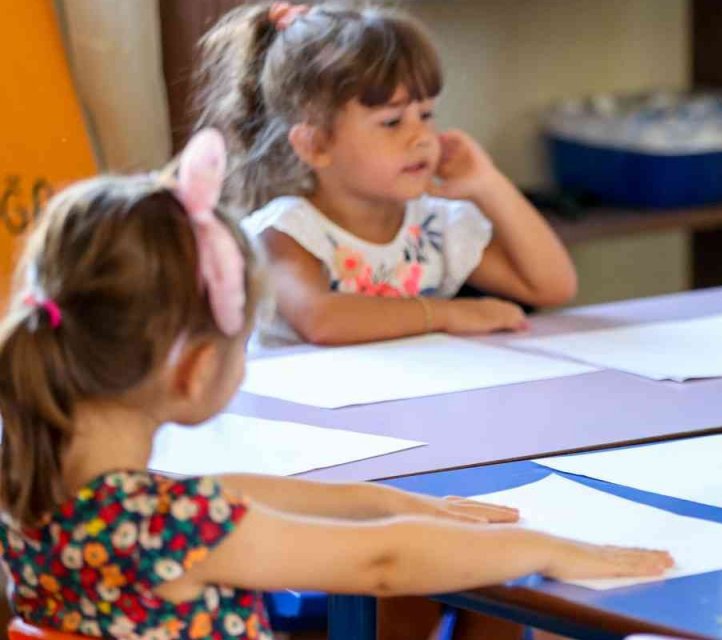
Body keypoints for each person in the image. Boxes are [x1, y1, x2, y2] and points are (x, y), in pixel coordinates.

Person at [0, 130, 671, 638]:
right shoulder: (171, 525)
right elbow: (381, 564)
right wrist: (544, 548)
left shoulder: (40, 485)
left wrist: (378, 501)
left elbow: (243, 494)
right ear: (194, 370)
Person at [197, 2, 577, 346]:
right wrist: (449, 314)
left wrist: (489, 185)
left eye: (426, 115)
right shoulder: (284, 233)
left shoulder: (433, 228)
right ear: (316, 145)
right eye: (392, 122)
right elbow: (322, 319)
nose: (422, 138)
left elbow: (550, 287)